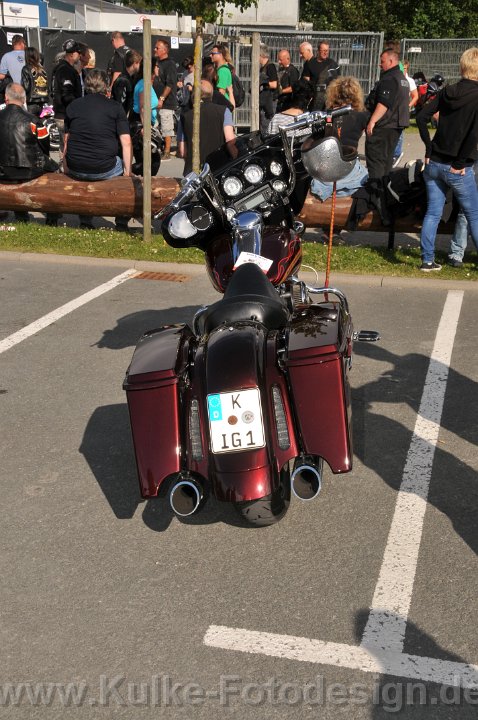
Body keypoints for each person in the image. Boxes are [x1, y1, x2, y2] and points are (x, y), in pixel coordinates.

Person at [416, 47, 478, 271]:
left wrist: (429, 148)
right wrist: (460, 162)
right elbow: (474, 134)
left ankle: (427, 260)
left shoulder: (447, 91)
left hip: (435, 162)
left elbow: (421, 117)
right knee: (474, 215)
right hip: (457, 167)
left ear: (462, 67)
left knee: (433, 213)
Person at [63, 69, 132, 231]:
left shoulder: (73, 106)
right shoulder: (115, 107)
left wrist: (66, 166)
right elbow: (126, 142)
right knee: (123, 169)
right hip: (104, 167)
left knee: (87, 175)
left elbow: (66, 140)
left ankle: (85, 221)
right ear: (106, 86)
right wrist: (128, 172)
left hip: (76, 166)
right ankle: (121, 222)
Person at [0, 83, 58, 224]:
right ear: (24, 99)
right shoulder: (33, 120)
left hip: (2, 170)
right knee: (56, 171)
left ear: (6, 98)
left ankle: (21, 217)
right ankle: (52, 217)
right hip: (29, 169)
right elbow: (45, 145)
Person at [365, 48, 410, 219]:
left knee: (376, 163)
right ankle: (385, 200)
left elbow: (384, 103)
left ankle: (377, 202)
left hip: (384, 127)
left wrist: (372, 121)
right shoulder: (402, 78)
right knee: (386, 164)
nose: (380, 64)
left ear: (391, 61)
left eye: (382, 61)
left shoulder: (390, 78)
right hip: (395, 127)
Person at [310, 76, 369, 202]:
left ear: (334, 93)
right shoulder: (362, 116)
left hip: (326, 168)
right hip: (349, 167)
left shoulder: (326, 115)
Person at [181, 79, 235, 176]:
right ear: (211, 94)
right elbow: (230, 140)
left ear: (194, 95)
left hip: (192, 174)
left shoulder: (184, 116)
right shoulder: (224, 111)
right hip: (217, 169)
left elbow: (182, 152)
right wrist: (235, 157)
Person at [52, 39, 83, 154]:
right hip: (66, 115)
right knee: (68, 148)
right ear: (72, 54)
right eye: (78, 53)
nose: (80, 56)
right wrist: (78, 109)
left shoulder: (59, 68)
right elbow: (67, 95)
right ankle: (65, 164)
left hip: (61, 113)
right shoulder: (66, 70)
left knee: (64, 147)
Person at [153, 39, 178, 160]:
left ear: (164, 50)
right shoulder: (157, 63)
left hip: (166, 103)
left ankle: (167, 152)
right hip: (155, 101)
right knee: (156, 126)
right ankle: (158, 149)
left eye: (157, 48)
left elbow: (170, 83)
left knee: (166, 127)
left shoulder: (170, 64)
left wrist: (162, 99)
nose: (155, 49)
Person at [392, 59, 419, 168]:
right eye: (402, 68)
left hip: (402, 109)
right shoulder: (394, 78)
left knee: (399, 130)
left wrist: (408, 106)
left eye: (405, 68)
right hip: (393, 108)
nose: (403, 70)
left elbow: (415, 96)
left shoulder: (409, 81)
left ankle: (397, 153)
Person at [300, 40, 340, 110]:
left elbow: (339, 82)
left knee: (329, 117)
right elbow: (305, 83)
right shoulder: (310, 64)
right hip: (315, 102)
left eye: (327, 51)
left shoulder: (333, 64)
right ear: (318, 51)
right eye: (323, 50)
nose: (325, 53)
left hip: (330, 102)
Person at [111, 49, 141, 117]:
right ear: (134, 64)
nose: (141, 66)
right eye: (139, 63)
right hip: (120, 118)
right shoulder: (122, 81)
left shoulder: (131, 78)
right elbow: (120, 104)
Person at [21, 46, 49, 116]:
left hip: (32, 102)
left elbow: (26, 87)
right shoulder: (42, 69)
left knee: (31, 122)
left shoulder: (26, 68)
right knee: (43, 122)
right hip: (44, 102)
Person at [259, 44, 278, 135]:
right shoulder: (263, 68)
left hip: (270, 103)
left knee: (267, 127)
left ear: (261, 55)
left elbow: (274, 84)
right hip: (264, 103)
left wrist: (263, 84)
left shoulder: (270, 66)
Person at [210, 43, 235, 109]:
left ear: (220, 55)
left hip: (222, 107)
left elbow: (221, 93)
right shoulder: (220, 69)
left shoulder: (222, 71)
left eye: (213, 54)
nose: (210, 55)